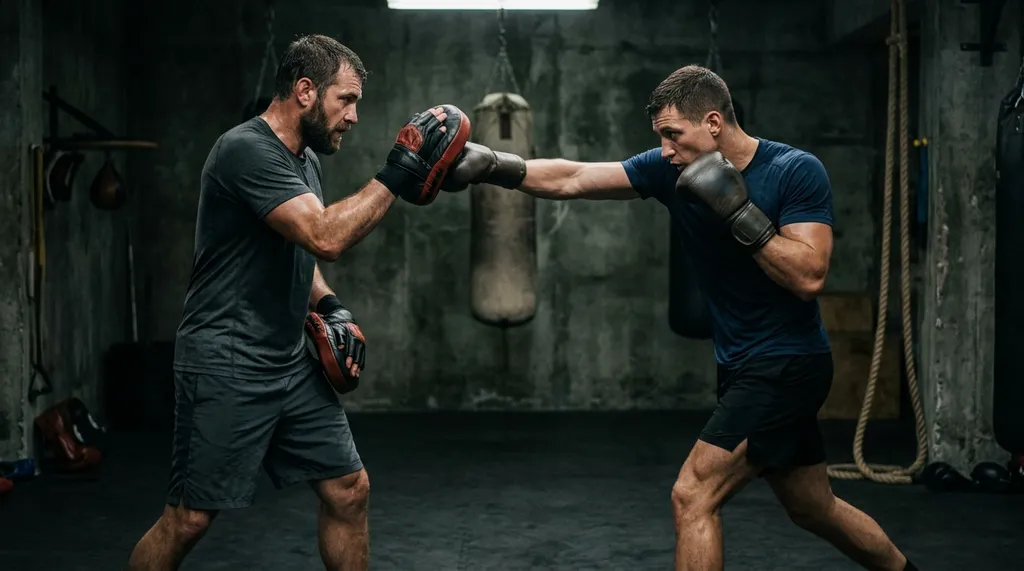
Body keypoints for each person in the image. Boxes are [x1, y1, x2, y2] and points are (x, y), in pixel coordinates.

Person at [441, 65, 918, 571]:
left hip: (785, 365)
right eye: (662, 138)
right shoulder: (669, 170)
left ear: (713, 122)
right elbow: (575, 177)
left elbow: (808, 275)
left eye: (674, 135)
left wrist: (738, 212)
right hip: (742, 364)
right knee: (813, 507)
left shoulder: (794, 171)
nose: (667, 149)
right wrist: (494, 164)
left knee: (693, 496)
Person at [126, 34, 461, 571]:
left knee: (349, 489)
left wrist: (331, 308)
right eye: (345, 100)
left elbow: (303, 250)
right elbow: (324, 234)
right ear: (306, 90)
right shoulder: (244, 149)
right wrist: (399, 169)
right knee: (188, 518)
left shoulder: (305, 158)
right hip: (227, 362)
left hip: (285, 362)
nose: (353, 116)